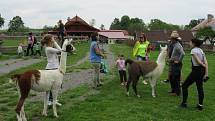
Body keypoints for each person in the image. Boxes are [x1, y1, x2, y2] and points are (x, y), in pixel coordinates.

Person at [180, 38, 209, 110]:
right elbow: (206, 62)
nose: (189, 44)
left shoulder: (193, 50)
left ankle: (184, 103)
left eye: (190, 42)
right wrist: (206, 73)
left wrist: (202, 65)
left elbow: (199, 62)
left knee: (184, 86)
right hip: (202, 71)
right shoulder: (201, 50)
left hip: (196, 71)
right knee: (200, 87)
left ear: (193, 43)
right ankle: (200, 105)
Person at [41, 34, 62, 106]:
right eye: (53, 39)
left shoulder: (50, 48)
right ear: (50, 40)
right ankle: (50, 101)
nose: (54, 39)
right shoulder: (48, 48)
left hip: (55, 68)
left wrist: (54, 42)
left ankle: (54, 100)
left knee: (55, 86)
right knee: (51, 86)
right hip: (51, 68)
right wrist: (55, 42)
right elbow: (60, 50)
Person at [168, 31, 185, 96]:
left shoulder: (178, 45)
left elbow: (183, 54)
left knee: (175, 78)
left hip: (176, 64)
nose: (170, 39)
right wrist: (170, 60)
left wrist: (179, 61)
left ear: (174, 39)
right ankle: (173, 90)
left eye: (171, 38)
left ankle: (177, 92)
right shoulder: (174, 44)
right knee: (171, 77)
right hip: (173, 63)